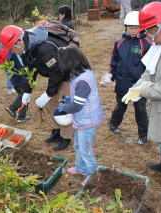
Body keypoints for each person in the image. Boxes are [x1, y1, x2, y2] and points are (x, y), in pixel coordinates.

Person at [122, 2, 161, 202]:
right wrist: (137, 86)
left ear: (157, 27)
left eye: (148, 31)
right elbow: (150, 71)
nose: (148, 36)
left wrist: (143, 89)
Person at [0, 24, 73, 151]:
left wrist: (48, 93)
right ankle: (57, 130)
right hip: (56, 72)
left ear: (19, 42)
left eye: (11, 48)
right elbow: (31, 70)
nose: (11, 51)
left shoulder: (44, 49)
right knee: (51, 103)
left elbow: (58, 72)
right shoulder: (25, 50)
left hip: (69, 73)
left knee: (65, 105)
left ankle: (66, 136)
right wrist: (27, 92)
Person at [54, 46, 104, 185]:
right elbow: (77, 100)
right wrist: (69, 100)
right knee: (78, 146)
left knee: (85, 149)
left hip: (88, 121)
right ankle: (81, 168)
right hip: (82, 119)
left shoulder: (83, 81)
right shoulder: (79, 75)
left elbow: (77, 105)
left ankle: (93, 174)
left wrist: (64, 108)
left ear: (68, 63)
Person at [101, 11, 151, 145]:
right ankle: (113, 123)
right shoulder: (119, 42)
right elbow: (114, 60)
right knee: (121, 105)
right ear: (125, 27)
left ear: (142, 27)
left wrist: (147, 81)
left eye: (136, 27)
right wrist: (110, 75)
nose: (134, 30)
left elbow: (150, 65)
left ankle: (144, 135)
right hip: (122, 82)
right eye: (130, 27)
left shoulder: (146, 43)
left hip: (138, 83)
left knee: (140, 109)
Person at [0, 44, 31, 122]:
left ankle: (22, 116)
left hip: (14, 79)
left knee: (24, 95)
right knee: (24, 95)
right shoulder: (13, 52)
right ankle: (12, 108)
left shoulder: (5, 51)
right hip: (20, 78)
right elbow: (21, 64)